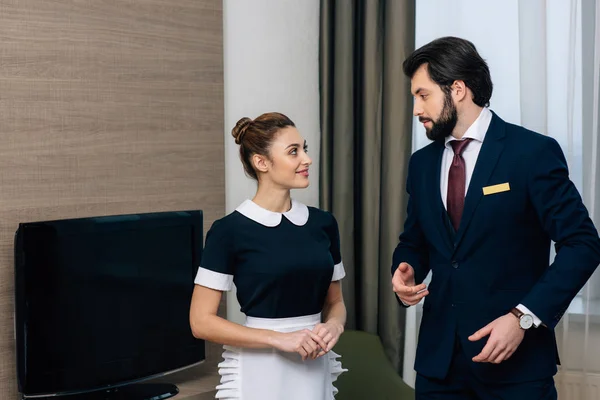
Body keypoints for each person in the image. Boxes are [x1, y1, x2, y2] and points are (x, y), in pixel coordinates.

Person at [391, 36, 600, 399]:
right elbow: (416, 241)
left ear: (457, 89)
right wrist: (406, 266)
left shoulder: (531, 153)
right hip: (439, 368)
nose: (416, 109)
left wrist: (523, 317)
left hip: (515, 367)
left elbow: (583, 244)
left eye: (422, 95)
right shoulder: (421, 164)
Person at [189, 112, 347, 400]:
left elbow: (335, 302)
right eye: (293, 152)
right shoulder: (229, 231)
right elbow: (200, 322)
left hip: (315, 362)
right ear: (261, 162)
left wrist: (334, 326)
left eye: (305, 148)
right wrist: (279, 339)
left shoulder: (323, 224)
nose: (307, 159)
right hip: (261, 370)